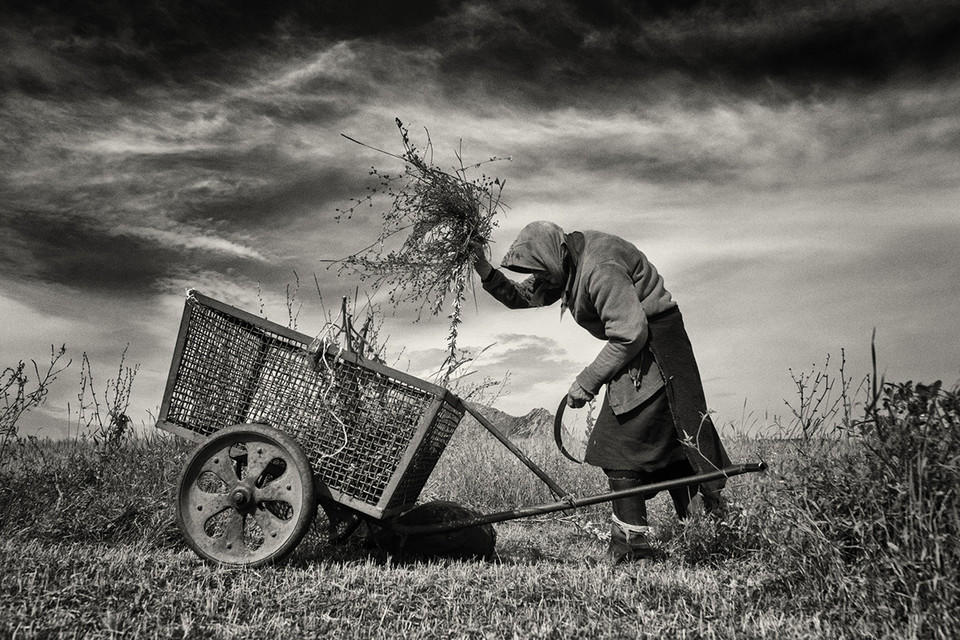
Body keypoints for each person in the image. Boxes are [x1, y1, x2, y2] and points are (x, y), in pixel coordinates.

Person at [471, 220, 730, 563]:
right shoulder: (564, 267)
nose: (541, 280)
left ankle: (635, 548)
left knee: (619, 445)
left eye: (541, 271)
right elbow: (523, 296)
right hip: (642, 347)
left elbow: (629, 332)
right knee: (672, 446)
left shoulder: (600, 266)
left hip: (656, 350)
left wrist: (588, 380)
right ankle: (706, 532)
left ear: (555, 256)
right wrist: (484, 268)